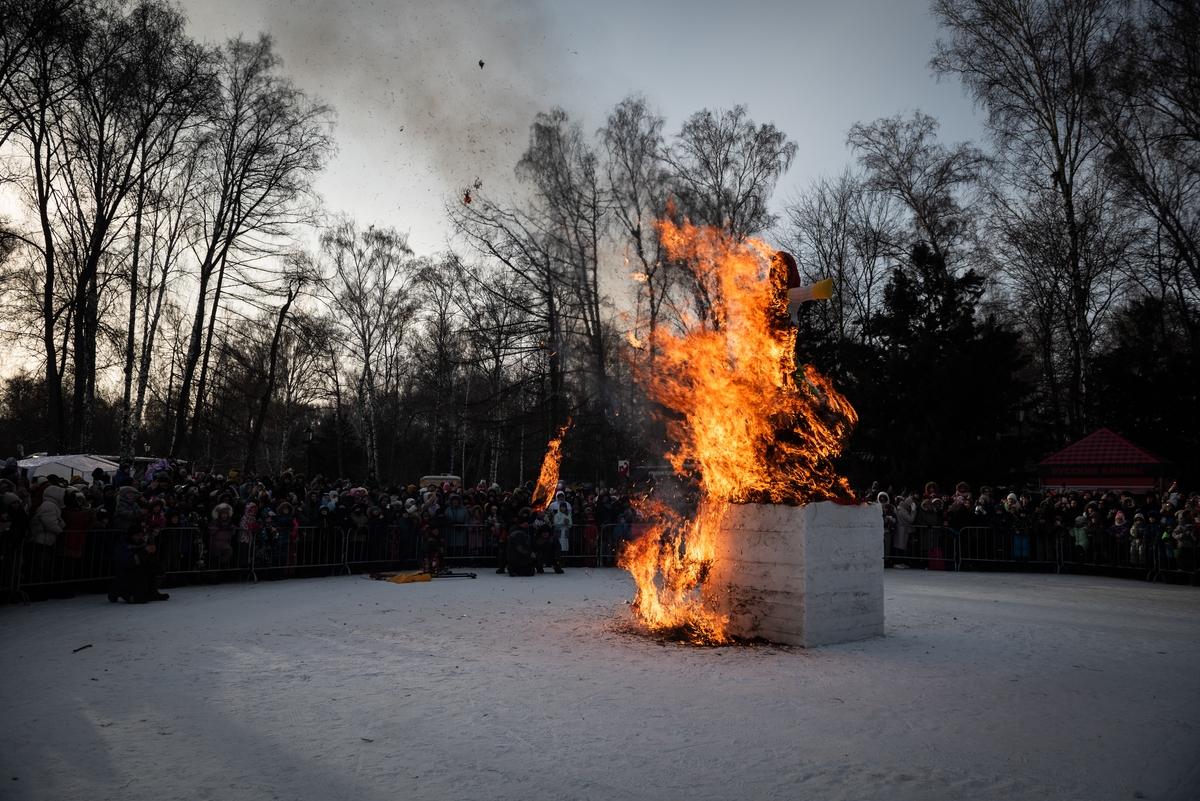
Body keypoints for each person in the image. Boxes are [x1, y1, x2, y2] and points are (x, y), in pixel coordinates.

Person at [108, 521, 168, 603]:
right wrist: (144, 552)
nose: (139, 537)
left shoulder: (141, 543)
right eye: (137, 535)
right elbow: (128, 562)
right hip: (126, 573)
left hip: (138, 571)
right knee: (138, 598)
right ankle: (119, 591)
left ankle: (152, 592)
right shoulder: (123, 545)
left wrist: (151, 553)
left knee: (157, 568)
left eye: (141, 535)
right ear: (131, 535)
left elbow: (147, 560)